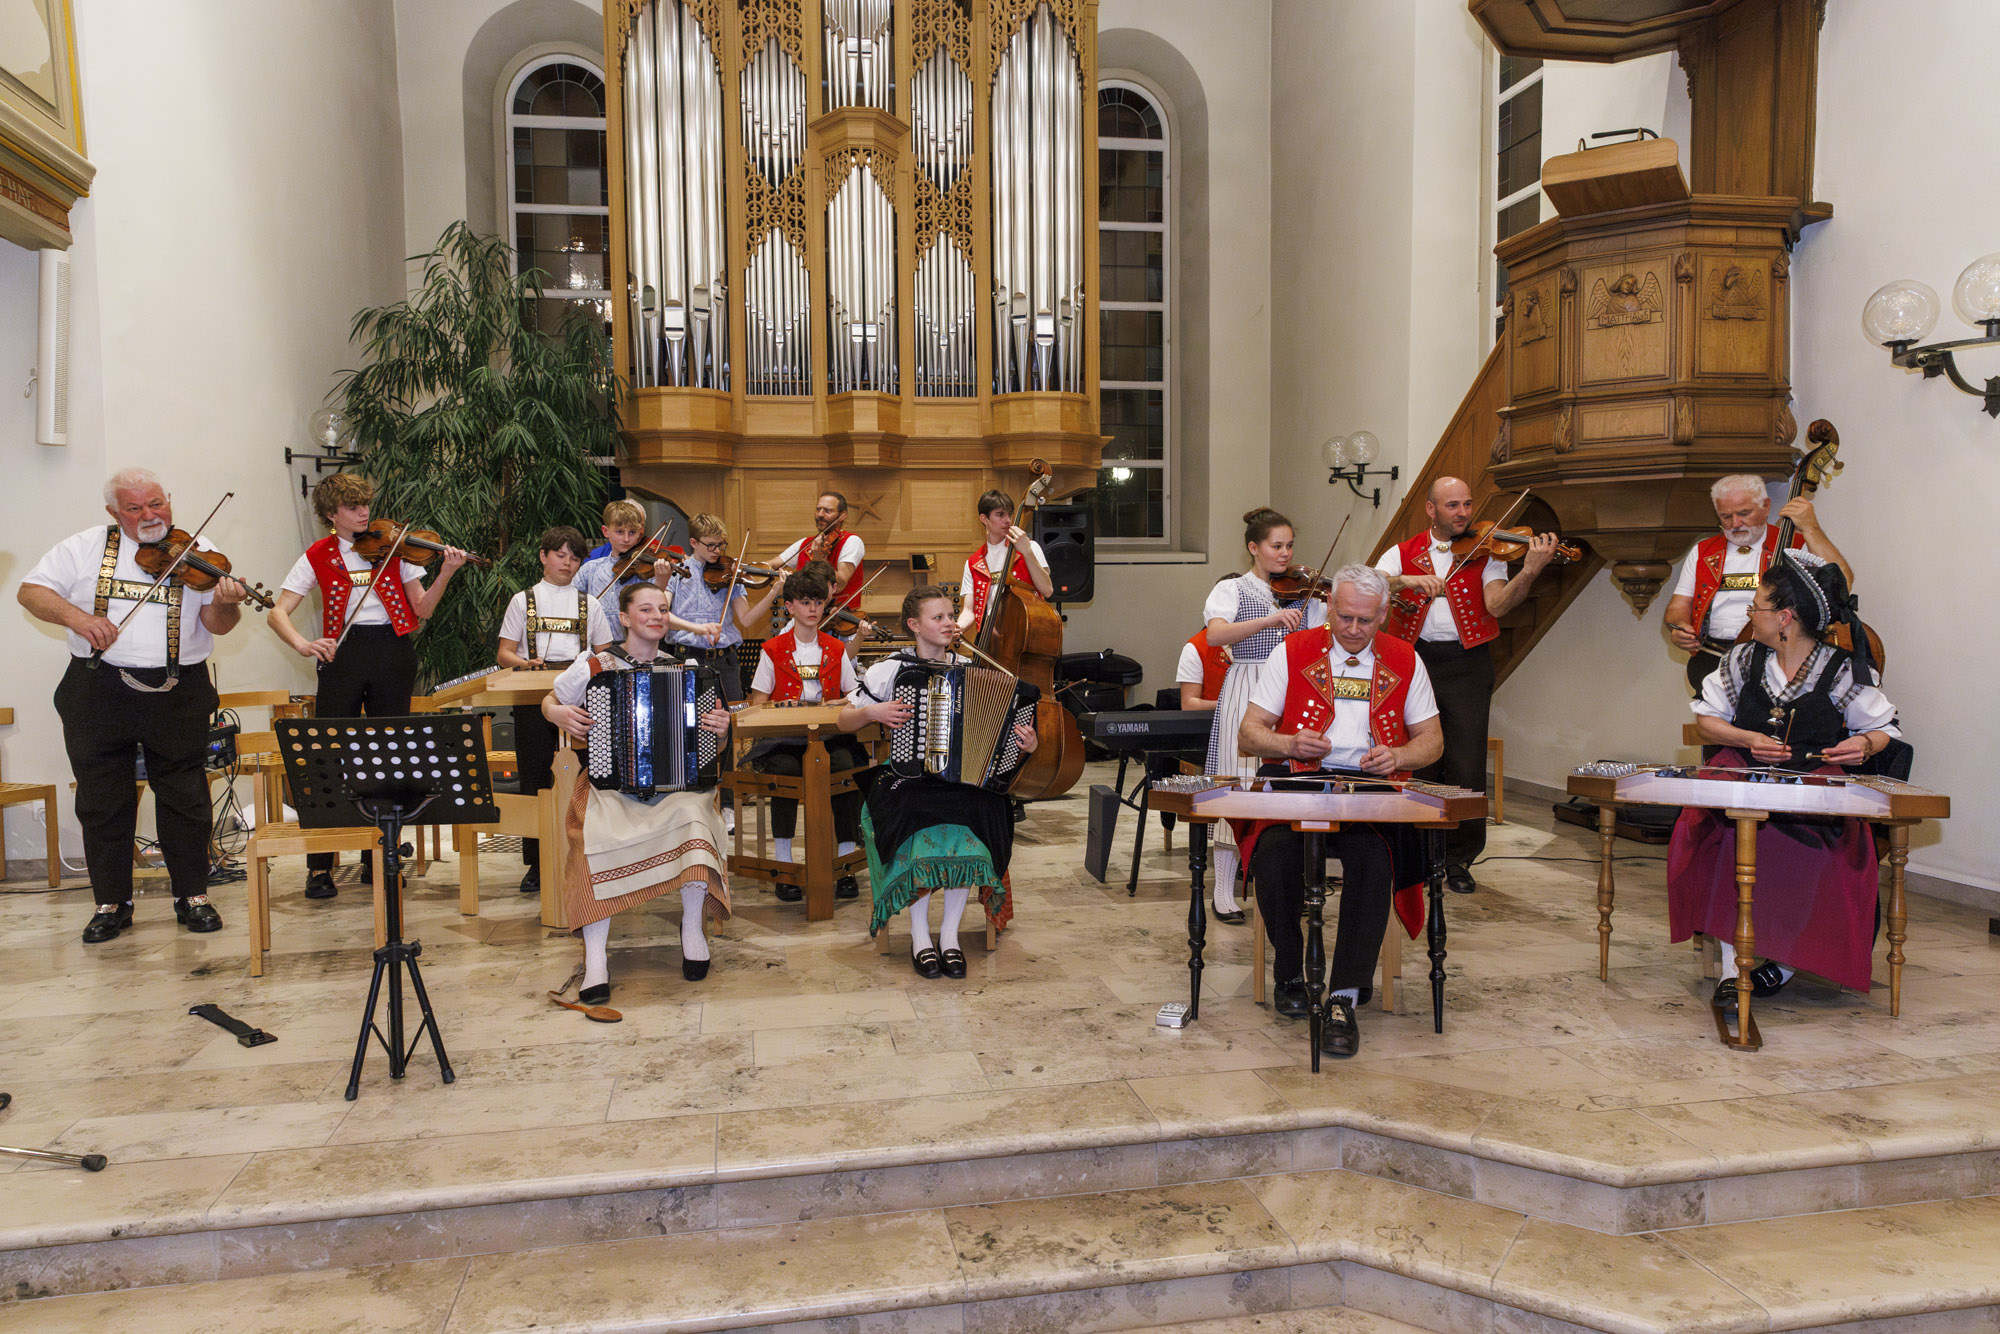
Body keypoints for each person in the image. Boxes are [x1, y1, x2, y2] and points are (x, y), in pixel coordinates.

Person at [19, 468, 251, 942]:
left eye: (157, 503)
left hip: (179, 689)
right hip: (98, 689)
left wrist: (228, 602)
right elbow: (31, 591)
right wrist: (79, 619)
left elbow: (218, 624)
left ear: (169, 501)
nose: (150, 515)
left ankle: (193, 896)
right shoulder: (84, 547)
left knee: (185, 796)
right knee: (102, 799)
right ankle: (111, 903)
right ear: (114, 512)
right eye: (135, 507)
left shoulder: (198, 551)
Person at [1668, 551, 1899, 1012]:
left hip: (1813, 787)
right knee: (1723, 835)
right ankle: (1734, 970)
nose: (1749, 614)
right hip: (1743, 774)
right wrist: (1747, 738)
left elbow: (1885, 728)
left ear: (1785, 617)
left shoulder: (1842, 668)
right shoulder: (1741, 659)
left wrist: (1863, 745)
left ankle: (1785, 963)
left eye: (1756, 606)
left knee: (1820, 855)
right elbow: (1707, 720)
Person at [1237, 564, 1444, 1058]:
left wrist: (1399, 756)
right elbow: (1250, 733)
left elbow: (1432, 741)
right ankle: (1290, 972)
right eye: (1344, 617)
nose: (1352, 629)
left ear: (1384, 614)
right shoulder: (1292, 651)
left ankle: (1344, 996)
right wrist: (1289, 742)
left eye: (1365, 621)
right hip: (1300, 783)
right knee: (1275, 853)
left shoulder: (1405, 658)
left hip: (1370, 790)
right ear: (1329, 606)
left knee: (1374, 861)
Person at [267, 473, 466, 900]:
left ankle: (378, 859)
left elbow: (422, 609)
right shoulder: (317, 555)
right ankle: (319, 865)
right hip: (342, 655)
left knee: (386, 756)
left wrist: (447, 572)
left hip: (393, 652)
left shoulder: (395, 548)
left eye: (365, 504)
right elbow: (277, 612)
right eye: (352, 507)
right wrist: (303, 644)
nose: (364, 513)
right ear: (330, 514)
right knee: (327, 756)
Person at [542, 583, 734, 1003]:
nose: (656, 616)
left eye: (662, 609)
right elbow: (550, 699)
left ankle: (692, 928)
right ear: (625, 618)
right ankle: (596, 960)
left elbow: (712, 747)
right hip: (612, 786)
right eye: (646, 609)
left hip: (676, 788)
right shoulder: (596, 665)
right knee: (595, 835)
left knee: (696, 815)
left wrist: (720, 732)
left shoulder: (688, 672)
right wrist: (557, 713)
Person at [841, 585, 1036, 978]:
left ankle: (949, 935)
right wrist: (874, 713)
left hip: (963, 783)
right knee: (915, 815)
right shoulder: (889, 669)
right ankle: (919, 937)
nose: (949, 623)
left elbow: (1000, 738)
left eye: (950, 616)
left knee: (985, 808)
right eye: (939, 617)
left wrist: (1027, 745)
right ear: (914, 625)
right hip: (906, 777)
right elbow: (844, 720)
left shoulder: (970, 670)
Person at [1376, 476, 1554, 895]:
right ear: (1431, 509)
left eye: (1467, 504)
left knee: (1465, 762)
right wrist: (1407, 580)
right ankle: (1417, 853)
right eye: (1453, 505)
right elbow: (1370, 584)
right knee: (1417, 758)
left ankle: (1458, 857)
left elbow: (1498, 605)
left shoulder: (1487, 551)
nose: (1463, 513)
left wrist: (1529, 571)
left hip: (1467, 663)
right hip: (1413, 661)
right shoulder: (1402, 552)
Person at [1200, 509, 1325, 923]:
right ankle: (1223, 890)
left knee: (1288, 786)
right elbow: (1215, 634)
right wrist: (1270, 619)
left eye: (1290, 546)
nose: (1285, 553)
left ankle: (1290, 887)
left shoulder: (1306, 592)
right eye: (1276, 546)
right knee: (1237, 783)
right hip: (1247, 685)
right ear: (1254, 548)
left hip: (1291, 690)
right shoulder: (1233, 589)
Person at [497, 525, 613, 895]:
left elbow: (607, 654)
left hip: (580, 698)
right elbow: (504, 653)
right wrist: (525, 663)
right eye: (560, 555)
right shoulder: (523, 600)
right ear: (544, 557)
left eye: (575, 557)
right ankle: (537, 863)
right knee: (534, 777)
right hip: (531, 696)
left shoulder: (590, 603)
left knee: (587, 775)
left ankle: (588, 855)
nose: (567, 562)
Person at [1662, 474, 1852, 694]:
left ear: (1765, 506)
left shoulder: (1795, 544)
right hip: (1711, 658)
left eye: (1744, 513)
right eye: (1726, 516)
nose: (1735, 524)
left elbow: (1843, 585)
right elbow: (1678, 607)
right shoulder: (1702, 552)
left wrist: (1811, 529)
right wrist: (1679, 628)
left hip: (1776, 659)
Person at [744, 566, 866, 902]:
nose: (813, 609)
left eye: (818, 602)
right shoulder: (772, 649)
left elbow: (855, 695)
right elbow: (758, 702)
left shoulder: (836, 648)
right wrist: (780, 705)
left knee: (845, 767)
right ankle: (785, 868)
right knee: (784, 770)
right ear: (790, 607)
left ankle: (844, 866)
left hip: (829, 737)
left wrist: (841, 701)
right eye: (805, 602)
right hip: (784, 739)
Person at [662, 512, 780, 705]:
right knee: (688, 716)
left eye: (721, 545)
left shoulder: (730, 572)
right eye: (711, 545)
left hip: (725, 660)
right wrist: (698, 628)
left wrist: (773, 592)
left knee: (732, 715)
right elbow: (661, 614)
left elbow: (747, 619)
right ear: (694, 542)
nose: (717, 551)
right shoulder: (676, 572)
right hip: (687, 657)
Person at [957, 489, 1054, 638]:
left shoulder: (1030, 547)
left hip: (1026, 633)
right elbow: (969, 611)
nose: (1008, 520)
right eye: (1000, 514)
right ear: (984, 519)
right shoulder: (973, 563)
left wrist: (1027, 553)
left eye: (1009, 514)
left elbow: (1047, 590)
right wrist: (957, 628)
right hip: (992, 637)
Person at [575, 499, 675, 642]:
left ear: (639, 533)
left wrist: (661, 581)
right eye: (620, 532)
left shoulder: (646, 570)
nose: (626, 539)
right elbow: (572, 600)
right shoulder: (590, 569)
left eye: (632, 532)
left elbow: (655, 609)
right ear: (606, 531)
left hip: (636, 645)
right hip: (596, 645)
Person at [773, 490, 865, 612]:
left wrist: (820, 560)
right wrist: (750, 569)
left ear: (842, 515)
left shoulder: (852, 541)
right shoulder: (805, 543)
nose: (820, 514)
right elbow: (772, 564)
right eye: (818, 509)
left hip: (839, 617)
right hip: (804, 614)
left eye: (828, 511)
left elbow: (840, 585)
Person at [1174, 627, 1230, 714]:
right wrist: (1231, 704)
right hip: (1213, 718)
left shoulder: (1252, 640)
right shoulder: (1196, 647)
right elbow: (1189, 704)